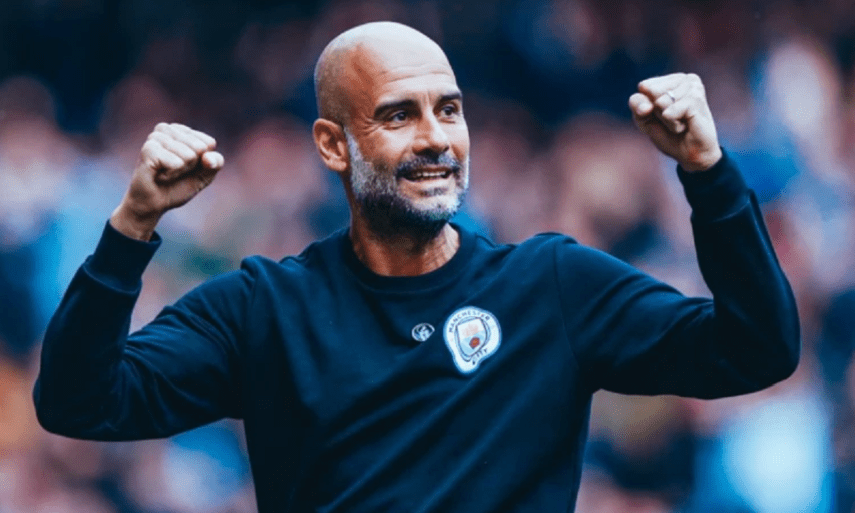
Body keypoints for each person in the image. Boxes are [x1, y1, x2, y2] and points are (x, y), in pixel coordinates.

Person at [34, 21, 800, 513]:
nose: (436, 136)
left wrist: (707, 172)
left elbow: (757, 348)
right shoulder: (261, 307)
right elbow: (79, 403)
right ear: (333, 145)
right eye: (398, 114)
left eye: (449, 108)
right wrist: (132, 226)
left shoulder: (551, 286)